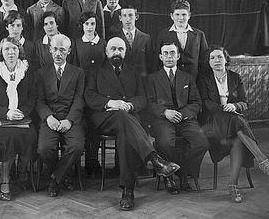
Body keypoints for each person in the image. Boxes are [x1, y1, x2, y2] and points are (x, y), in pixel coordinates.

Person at [84, 37, 180, 211]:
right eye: (113, 49)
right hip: (103, 118)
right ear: (106, 51)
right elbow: (89, 96)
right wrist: (111, 103)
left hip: (127, 118)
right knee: (123, 118)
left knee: (125, 134)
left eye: (120, 49)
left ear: (125, 52)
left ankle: (128, 191)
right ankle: (155, 160)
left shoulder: (133, 71)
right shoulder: (95, 70)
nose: (117, 52)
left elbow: (142, 98)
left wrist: (130, 104)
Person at [198, 45, 269, 203]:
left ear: (226, 59)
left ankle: (233, 186)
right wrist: (225, 107)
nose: (217, 60)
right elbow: (205, 104)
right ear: (208, 62)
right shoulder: (204, 79)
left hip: (234, 126)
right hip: (213, 123)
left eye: (220, 57)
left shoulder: (235, 77)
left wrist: (235, 106)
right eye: (213, 58)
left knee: (237, 140)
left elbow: (244, 102)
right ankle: (263, 160)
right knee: (236, 120)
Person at [146, 42, 209, 195]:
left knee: (202, 142)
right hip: (163, 119)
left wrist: (184, 114)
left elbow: (196, 102)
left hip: (185, 119)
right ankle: (169, 177)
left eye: (172, 53)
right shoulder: (152, 78)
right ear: (161, 57)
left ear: (178, 56)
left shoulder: (187, 77)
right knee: (165, 142)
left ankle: (182, 172)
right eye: (166, 53)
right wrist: (165, 112)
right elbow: (149, 103)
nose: (169, 56)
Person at [0, 37, 37, 201]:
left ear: (19, 50)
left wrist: (22, 112)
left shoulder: (27, 69)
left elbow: (32, 97)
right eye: (6, 49)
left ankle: (22, 171)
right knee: (9, 136)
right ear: (1, 52)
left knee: (31, 134)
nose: (11, 52)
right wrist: (6, 113)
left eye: (14, 48)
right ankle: (4, 179)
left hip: (22, 116)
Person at [37, 34, 85, 197]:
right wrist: (48, 117)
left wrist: (70, 120)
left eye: (62, 50)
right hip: (50, 119)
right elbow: (39, 100)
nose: (58, 53)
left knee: (77, 146)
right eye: (55, 49)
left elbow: (79, 100)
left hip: (70, 119)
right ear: (50, 50)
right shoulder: (42, 73)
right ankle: (64, 175)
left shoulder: (78, 73)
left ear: (69, 51)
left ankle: (55, 179)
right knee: (44, 148)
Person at [71, 11, 107, 175]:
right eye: (87, 24)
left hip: (99, 92)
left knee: (96, 125)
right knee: (82, 124)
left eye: (93, 24)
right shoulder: (76, 44)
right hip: (81, 91)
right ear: (82, 26)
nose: (90, 27)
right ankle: (79, 162)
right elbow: (74, 68)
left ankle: (93, 160)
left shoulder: (104, 43)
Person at [153, 0, 208, 81]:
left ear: (189, 15)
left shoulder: (199, 34)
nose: (181, 18)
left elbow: (204, 60)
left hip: (194, 79)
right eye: (177, 14)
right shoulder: (163, 34)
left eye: (184, 14)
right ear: (172, 16)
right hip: (171, 79)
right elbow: (157, 61)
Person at [114, 5, 152, 77]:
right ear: (120, 18)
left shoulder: (146, 38)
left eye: (131, 15)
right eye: (124, 16)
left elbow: (150, 64)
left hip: (141, 81)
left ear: (136, 17)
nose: (128, 19)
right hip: (121, 81)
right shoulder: (114, 38)